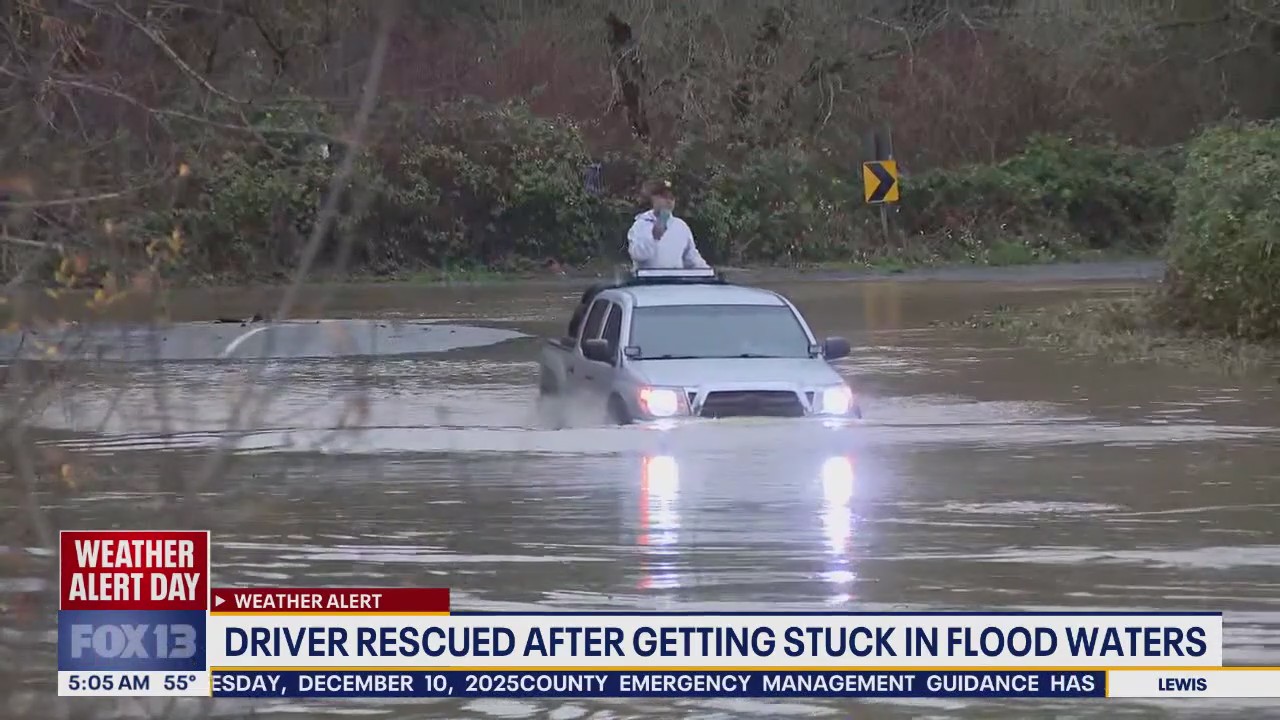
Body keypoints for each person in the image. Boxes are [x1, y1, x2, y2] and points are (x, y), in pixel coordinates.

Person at [627, 180, 709, 270]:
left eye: (672, 198)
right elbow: (638, 255)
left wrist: (708, 272)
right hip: (648, 281)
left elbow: (692, 259)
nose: (669, 201)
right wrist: (654, 237)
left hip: (674, 281)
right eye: (665, 197)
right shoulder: (640, 225)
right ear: (654, 198)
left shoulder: (681, 226)